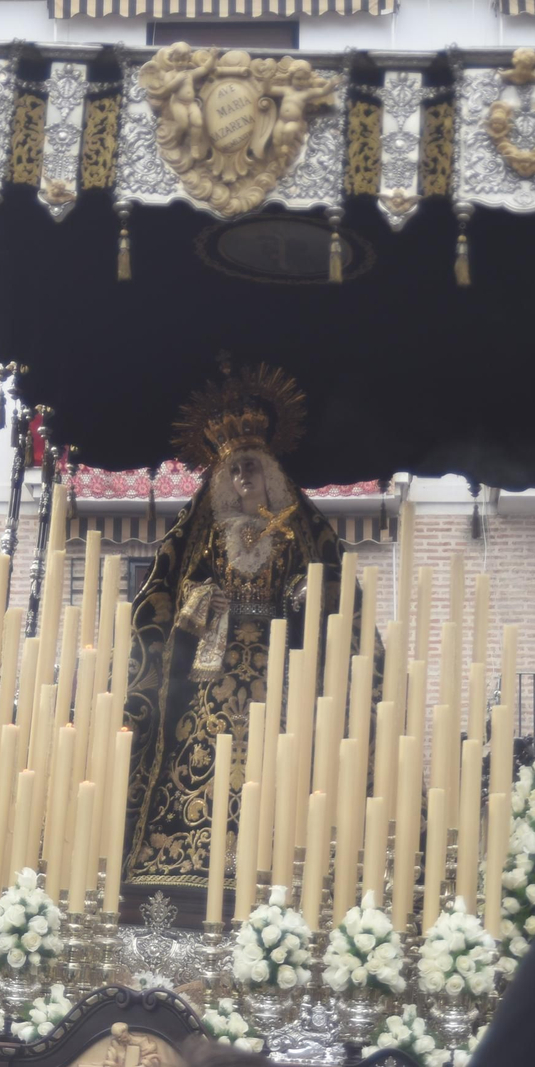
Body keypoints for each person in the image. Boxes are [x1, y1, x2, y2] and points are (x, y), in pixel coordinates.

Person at [123, 364, 376, 890]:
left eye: (252, 469)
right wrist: (200, 598)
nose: (243, 478)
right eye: (235, 470)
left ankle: (274, 852)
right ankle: (194, 854)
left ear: (270, 476)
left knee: (277, 744)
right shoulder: (211, 535)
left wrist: (305, 596)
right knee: (206, 742)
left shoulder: (289, 536)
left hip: (276, 658)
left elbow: (313, 593)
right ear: (223, 480)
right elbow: (178, 592)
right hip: (214, 665)